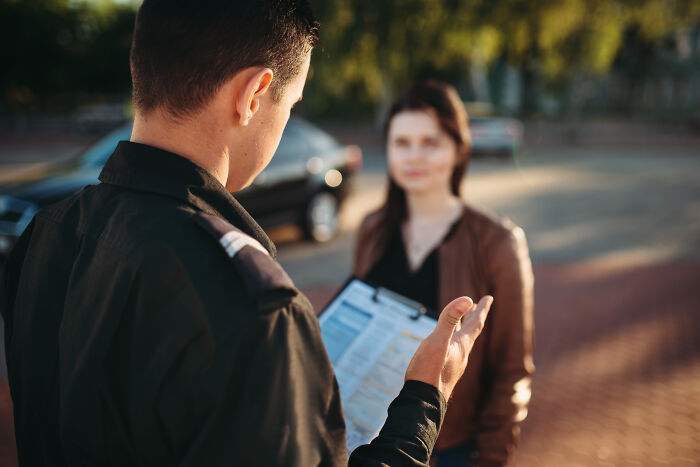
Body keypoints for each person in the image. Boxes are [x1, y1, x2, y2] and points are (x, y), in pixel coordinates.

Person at [0, 2, 494, 466]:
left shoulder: (46, 235)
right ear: (254, 94)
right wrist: (425, 400)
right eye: (291, 104)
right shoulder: (257, 309)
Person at [353, 81, 534, 467]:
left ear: (459, 149)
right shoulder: (371, 229)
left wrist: (489, 458)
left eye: (430, 142)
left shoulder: (498, 242)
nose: (413, 156)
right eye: (402, 143)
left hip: (452, 447)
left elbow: (512, 371)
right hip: (368, 438)